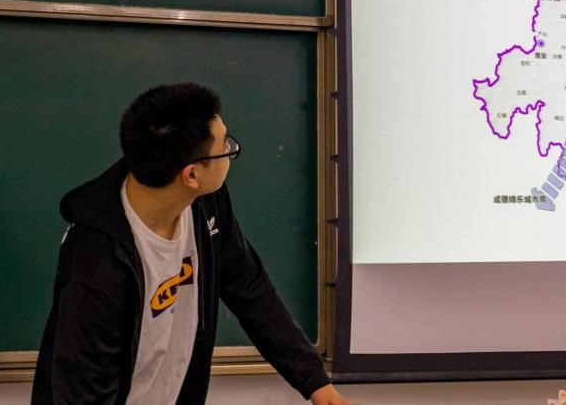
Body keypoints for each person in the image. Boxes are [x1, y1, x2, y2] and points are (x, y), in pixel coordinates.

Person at [32, 82, 350, 405]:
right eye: (225, 147)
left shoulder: (205, 202)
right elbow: (83, 394)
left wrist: (316, 383)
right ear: (192, 175)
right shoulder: (98, 268)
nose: (230, 153)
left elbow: (249, 287)